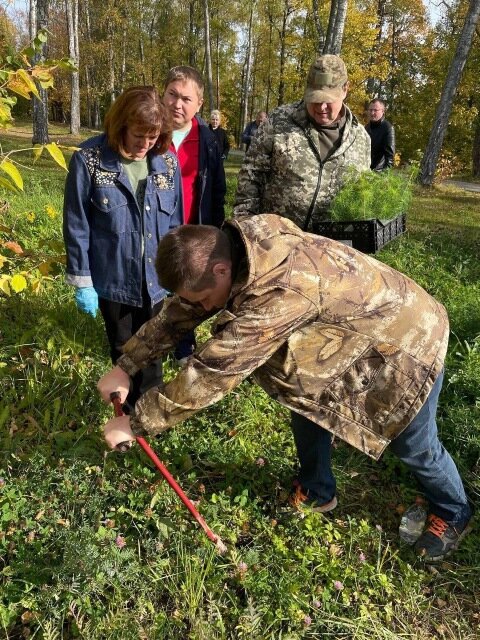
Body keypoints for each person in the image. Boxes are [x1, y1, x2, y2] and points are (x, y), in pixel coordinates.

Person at [98, 214, 472, 562]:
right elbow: (186, 308)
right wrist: (127, 365)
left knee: (413, 442)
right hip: (350, 330)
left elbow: (214, 371)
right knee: (308, 400)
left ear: (221, 269)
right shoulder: (239, 245)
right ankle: (318, 490)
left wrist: (136, 423)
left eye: (202, 298)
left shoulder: (280, 291)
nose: (199, 307)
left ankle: (454, 509)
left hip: (409, 338)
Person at [63, 86, 183, 411]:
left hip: (156, 282)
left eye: (153, 136)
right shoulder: (89, 161)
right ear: (120, 126)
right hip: (113, 280)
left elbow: (175, 224)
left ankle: (149, 418)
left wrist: (179, 274)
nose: (145, 144)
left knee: (154, 350)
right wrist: (82, 280)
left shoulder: (168, 164)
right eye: (138, 135)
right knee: (124, 350)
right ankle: (126, 419)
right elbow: (77, 224)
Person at [234, 55, 371, 231]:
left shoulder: (360, 138)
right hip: (277, 242)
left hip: (329, 249)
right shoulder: (279, 121)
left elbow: (362, 196)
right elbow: (250, 175)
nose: (321, 107)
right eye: (315, 99)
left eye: (328, 100)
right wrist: (245, 228)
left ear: (345, 89)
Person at [162, 65, 226, 362]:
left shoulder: (208, 141)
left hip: (191, 229)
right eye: (172, 95)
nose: (177, 104)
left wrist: (213, 234)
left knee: (186, 290)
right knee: (156, 289)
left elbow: (217, 190)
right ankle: (148, 347)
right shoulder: (150, 131)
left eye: (186, 99)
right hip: (155, 228)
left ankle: (182, 346)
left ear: (199, 103)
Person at [365, 99, 395, 171]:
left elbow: (390, 157)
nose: (372, 113)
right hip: (365, 170)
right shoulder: (366, 127)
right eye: (370, 110)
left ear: (382, 111)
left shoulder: (388, 128)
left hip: (378, 172)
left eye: (375, 110)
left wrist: (385, 176)